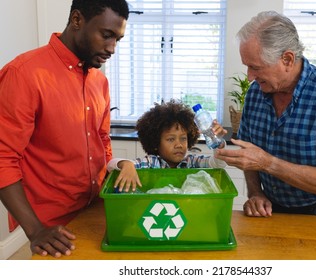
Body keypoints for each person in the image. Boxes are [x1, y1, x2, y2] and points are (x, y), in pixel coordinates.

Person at [0, 0, 130, 258]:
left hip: (95, 208)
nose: (112, 48)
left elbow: (101, 139)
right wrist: (36, 230)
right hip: (52, 225)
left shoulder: (99, 81)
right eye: (106, 35)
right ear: (77, 20)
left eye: (118, 39)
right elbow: (3, 157)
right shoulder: (24, 74)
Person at [215, 11, 316, 218]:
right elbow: (249, 156)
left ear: (287, 59)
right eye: (247, 66)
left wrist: (267, 163)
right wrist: (256, 193)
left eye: (255, 67)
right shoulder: (255, 94)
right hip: (272, 209)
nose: (250, 76)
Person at [107, 100, 227, 193]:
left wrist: (219, 143)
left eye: (183, 138)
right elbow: (110, 165)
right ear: (155, 143)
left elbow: (217, 164)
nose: (179, 144)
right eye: (170, 139)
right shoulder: (151, 163)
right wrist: (126, 165)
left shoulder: (191, 161)